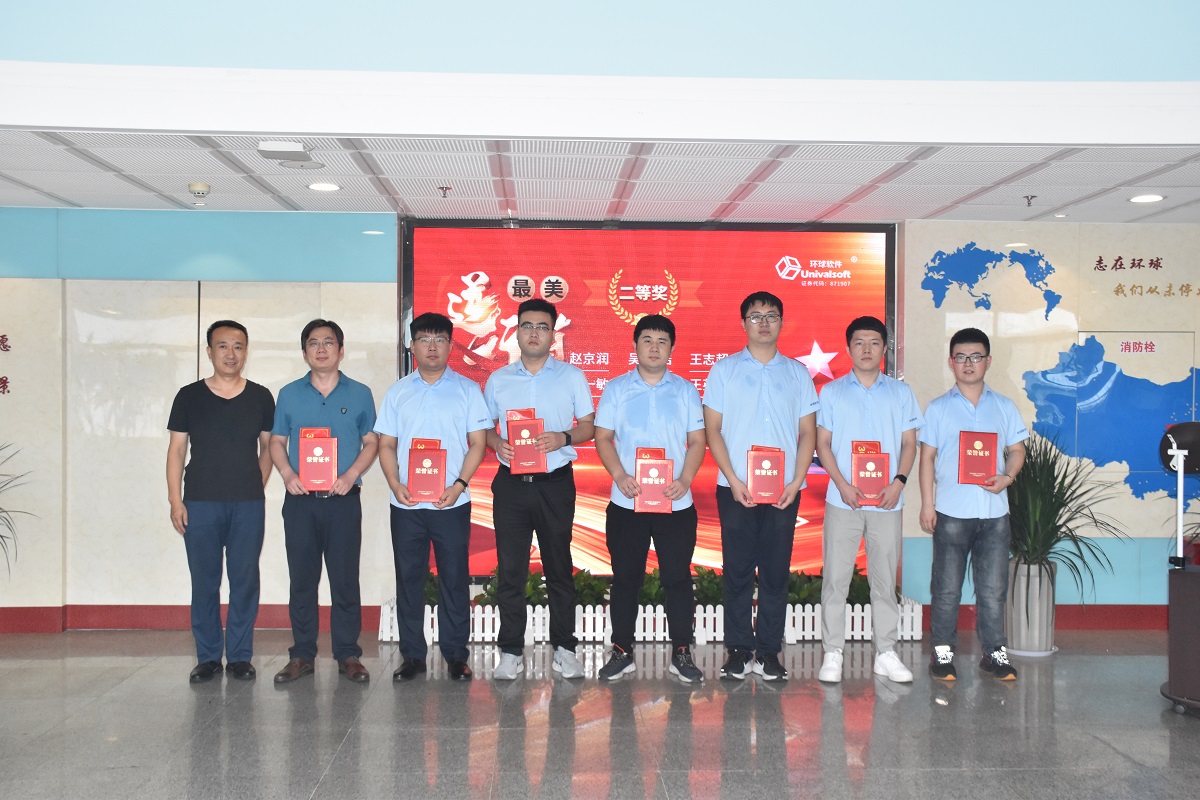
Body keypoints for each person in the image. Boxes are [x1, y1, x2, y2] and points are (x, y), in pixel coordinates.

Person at [704, 291, 819, 681]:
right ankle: (738, 650)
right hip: (735, 488)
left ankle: (769, 652)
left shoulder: (797, 373)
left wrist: (796, 481)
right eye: (756, 316)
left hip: (784, 490)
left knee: (775, 572)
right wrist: (733, 479)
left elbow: (808, 433)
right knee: (737, 571)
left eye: (771, 316)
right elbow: (713, 430)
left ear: (782, 322)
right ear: (743, 324)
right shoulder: (724, 371)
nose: (764, 323)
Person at [376, 312, 491, 682]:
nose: (432, 346)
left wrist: (459, 484)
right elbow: (386, 445)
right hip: (406, 504)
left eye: (440, 339)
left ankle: (456, 656)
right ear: (412, 346)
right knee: (409, 579)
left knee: (454, 578)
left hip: (451, 503)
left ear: (450, 346)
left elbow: (478, 444)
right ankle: (412, 656)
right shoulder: (398, 392)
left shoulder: (468, 390)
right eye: (424, 339)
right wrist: (395, 483)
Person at [484, 298, 595, 681]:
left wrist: (563, 437)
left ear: (553, 334)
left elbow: (589, 426)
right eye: (527, 326)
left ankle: (565, 649)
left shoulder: (572, 376)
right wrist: (496, 443)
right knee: (511, 571)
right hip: (511, 486)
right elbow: (483, 427)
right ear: (516, 332)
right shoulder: (498, 379)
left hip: (555, 485)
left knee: (559, 568)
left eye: (542, 327)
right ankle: (511, 651)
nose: (534, 333)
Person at [594, 315, 707, 683]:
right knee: (626, 579)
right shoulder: (616, 389)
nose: (654, 347)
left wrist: (685, 479)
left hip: (676, 502)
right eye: (647, 340)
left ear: (672, 348)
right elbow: (602, 437)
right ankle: (622, 651)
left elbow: (697, 440)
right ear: (635, 345)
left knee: (678, 579)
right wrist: (620, 475)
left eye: (662, 341)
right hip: (628, 502)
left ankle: (682, 652)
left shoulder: (686, 391)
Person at [814, 316, 922, 684]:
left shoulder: (901, 393)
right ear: (848, 348)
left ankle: (886, 652)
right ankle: (832, 652)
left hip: (888, 501)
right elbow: (823, 444)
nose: (866, 349)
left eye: (874, 342)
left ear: (885, 349)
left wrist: (899, 483)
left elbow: (909, 443)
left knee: (884, 579)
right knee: (835, 578)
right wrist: (843, 484)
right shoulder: (831, 392)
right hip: (843, 500)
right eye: (859, 342)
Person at [270, 319, 379, 684]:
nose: (321, 349)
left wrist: (351, 475)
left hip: (343, 501)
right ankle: (302, 655)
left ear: (340, 350)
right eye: (313, 343)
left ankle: (348, 654)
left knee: (345, 579)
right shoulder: (289, 394)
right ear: (304, 352)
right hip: (300, 501)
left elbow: (372, 442)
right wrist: (287, 474)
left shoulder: (360, 393)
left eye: (328, 342)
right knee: (302, 580)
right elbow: (276, 442)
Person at [167, 320, 275, 683]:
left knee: (245, 579)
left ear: (246, 352)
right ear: (209, 351)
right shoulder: (189, 396)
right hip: (200, 501)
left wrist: (256, 483)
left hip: (248, 504)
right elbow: (177, 450)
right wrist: (175, 500)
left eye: (238, 346)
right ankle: (209, 657)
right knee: (205, 581)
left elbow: (268, 447)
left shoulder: (261, 396)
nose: (231, 354)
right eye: (223, 346)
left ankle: (241, 656)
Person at [919, 327, 1028, 681]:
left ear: (988, 361)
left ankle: (995, 654)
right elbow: (927, 458)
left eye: (976, 356)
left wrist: (1007, 477)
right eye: (961, 357)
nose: (969, 363)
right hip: (952, 512)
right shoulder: (938, 408)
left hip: (995, 515)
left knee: (993, 591)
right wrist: (927, 505)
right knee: (946, 589)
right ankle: (942, 654)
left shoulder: (1004, 406)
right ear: (951, 362)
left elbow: (1017, 450)